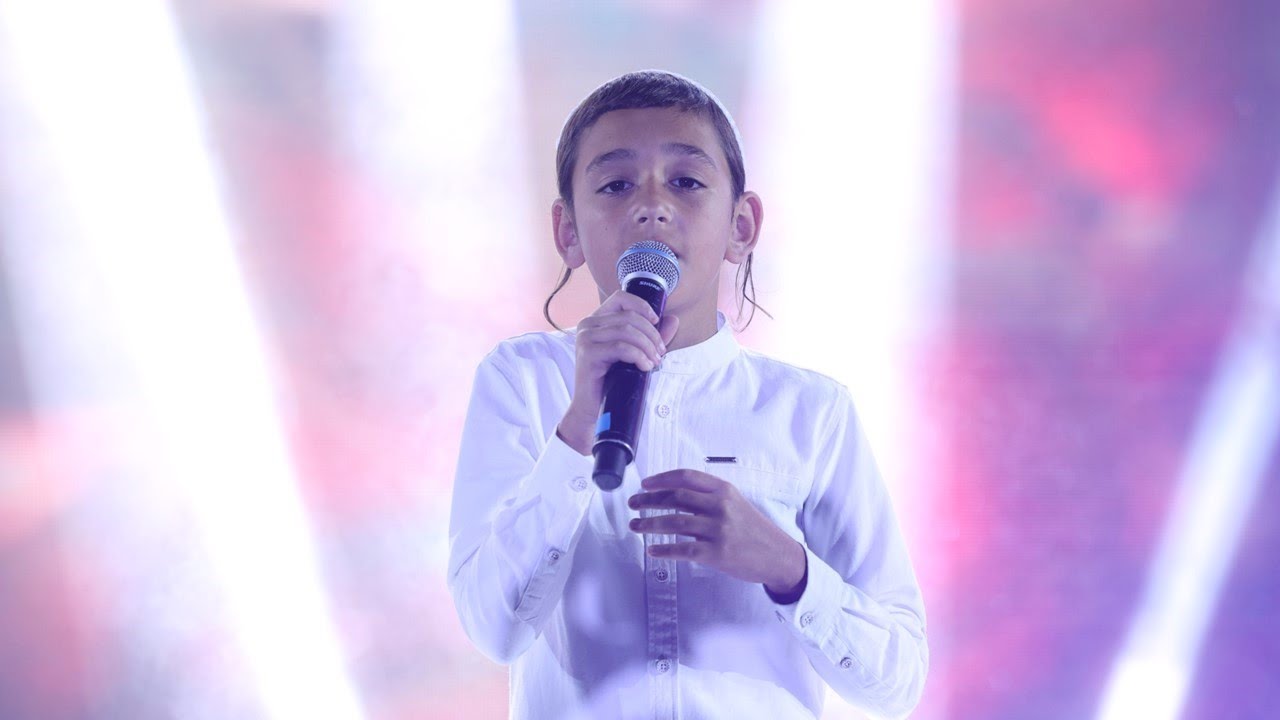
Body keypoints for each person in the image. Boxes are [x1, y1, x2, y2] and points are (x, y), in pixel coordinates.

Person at [448, 70, 927, 720]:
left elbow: (897, 681)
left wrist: (789, 568)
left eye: (687, 181)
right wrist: (578, 426)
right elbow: (493, 630)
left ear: (741, 224)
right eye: (616, 185)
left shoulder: (812, 413)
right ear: (567, 232)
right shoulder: (521, 381)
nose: (652, 206)